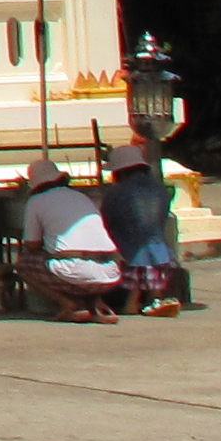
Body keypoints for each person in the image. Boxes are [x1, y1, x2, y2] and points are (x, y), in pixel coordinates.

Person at [17, 155, 120, 324]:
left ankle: (67, 303)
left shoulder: (36, 201)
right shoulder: (81, 197)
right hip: (110, 272)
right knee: (75, 260)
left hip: (72, 271)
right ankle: (95, 303)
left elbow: (32, 244)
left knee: (23, 264)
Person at [102, 138, 185, 316]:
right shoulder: (159, 188)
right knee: (155, 282)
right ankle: (156, 301)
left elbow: (108, 220)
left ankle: (134, 304)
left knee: (134, 287)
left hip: (131, 252)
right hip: (161, 251)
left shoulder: (116, 193)